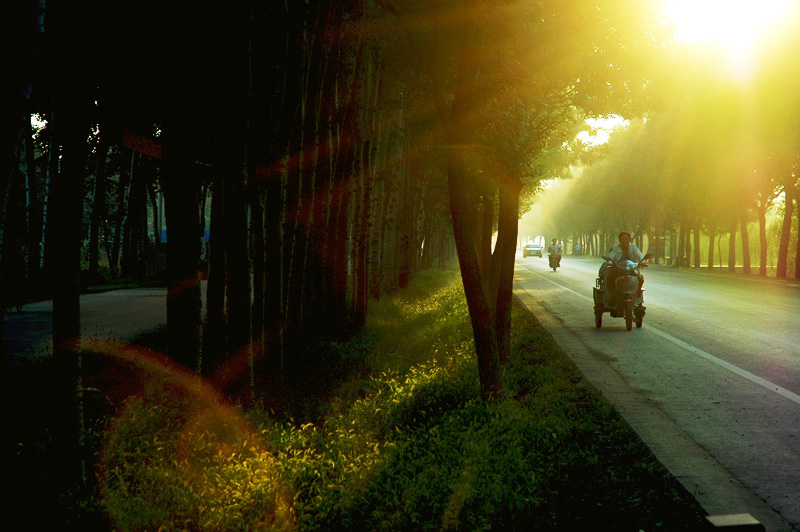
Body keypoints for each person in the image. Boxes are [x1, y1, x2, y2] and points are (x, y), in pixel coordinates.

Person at [601, 232, 649, 305]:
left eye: (626, 238)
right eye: (622, 239)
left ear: (629, 239)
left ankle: (638, 296)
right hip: (618, 270)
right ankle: (612, 297)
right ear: (620, 240)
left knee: (640, 278)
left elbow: (640, 255)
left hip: (631, 269)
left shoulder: (633, 247)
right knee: (610, 278)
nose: (625, 240)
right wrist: (610, 261)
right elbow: (611, 256)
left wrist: (643, 262)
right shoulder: (616, 248)